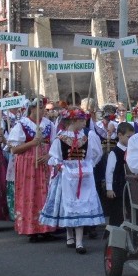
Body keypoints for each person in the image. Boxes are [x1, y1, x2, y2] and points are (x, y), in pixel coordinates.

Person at [39, 107, 106, 254]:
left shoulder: (86, 138)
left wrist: (87, 166)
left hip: (83, 176)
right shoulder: (60, 138)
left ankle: (80, 242)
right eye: (82, 120)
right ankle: (70, 236)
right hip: (66, 176)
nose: (84, 123)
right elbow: (54, 157)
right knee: (68, 206)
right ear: (74, 121)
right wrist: (61, 166)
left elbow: (93, 155)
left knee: (80, 206)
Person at [7, 100, 57, 242]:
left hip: (45, 163)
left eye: (43, 108)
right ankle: (31, 229)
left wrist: (49, 155)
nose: (43, 111)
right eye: (40, 108)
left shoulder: (48, 124)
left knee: (46, 193)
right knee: (30, 193)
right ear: (32, 109)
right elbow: (14, 149)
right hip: (28, 163)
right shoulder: (22, 124)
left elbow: (55, 144)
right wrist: (32, 143)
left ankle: (47, 228)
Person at [105, 121, 134, 227]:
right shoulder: (115, 152)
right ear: (120, 135)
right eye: (129, 137)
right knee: (117, 213)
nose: (131, 140)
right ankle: (113, 238)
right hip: (117, 187)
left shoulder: (131, 151)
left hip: (129, 187)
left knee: (129, 211)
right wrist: (109, 188)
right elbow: (109, 171)